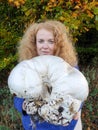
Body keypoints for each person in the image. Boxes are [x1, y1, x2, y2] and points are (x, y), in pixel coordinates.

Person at [14, 20, 82, 130]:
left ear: (58, 44)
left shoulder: (69, 66)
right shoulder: (26, 68)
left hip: (65, 126)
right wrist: (23, 105)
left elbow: (80, 93)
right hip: (36, 126)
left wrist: (76, 109)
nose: (45, 46)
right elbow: (17, 95)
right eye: (41, 41)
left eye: (51, 41)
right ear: (34, 43)